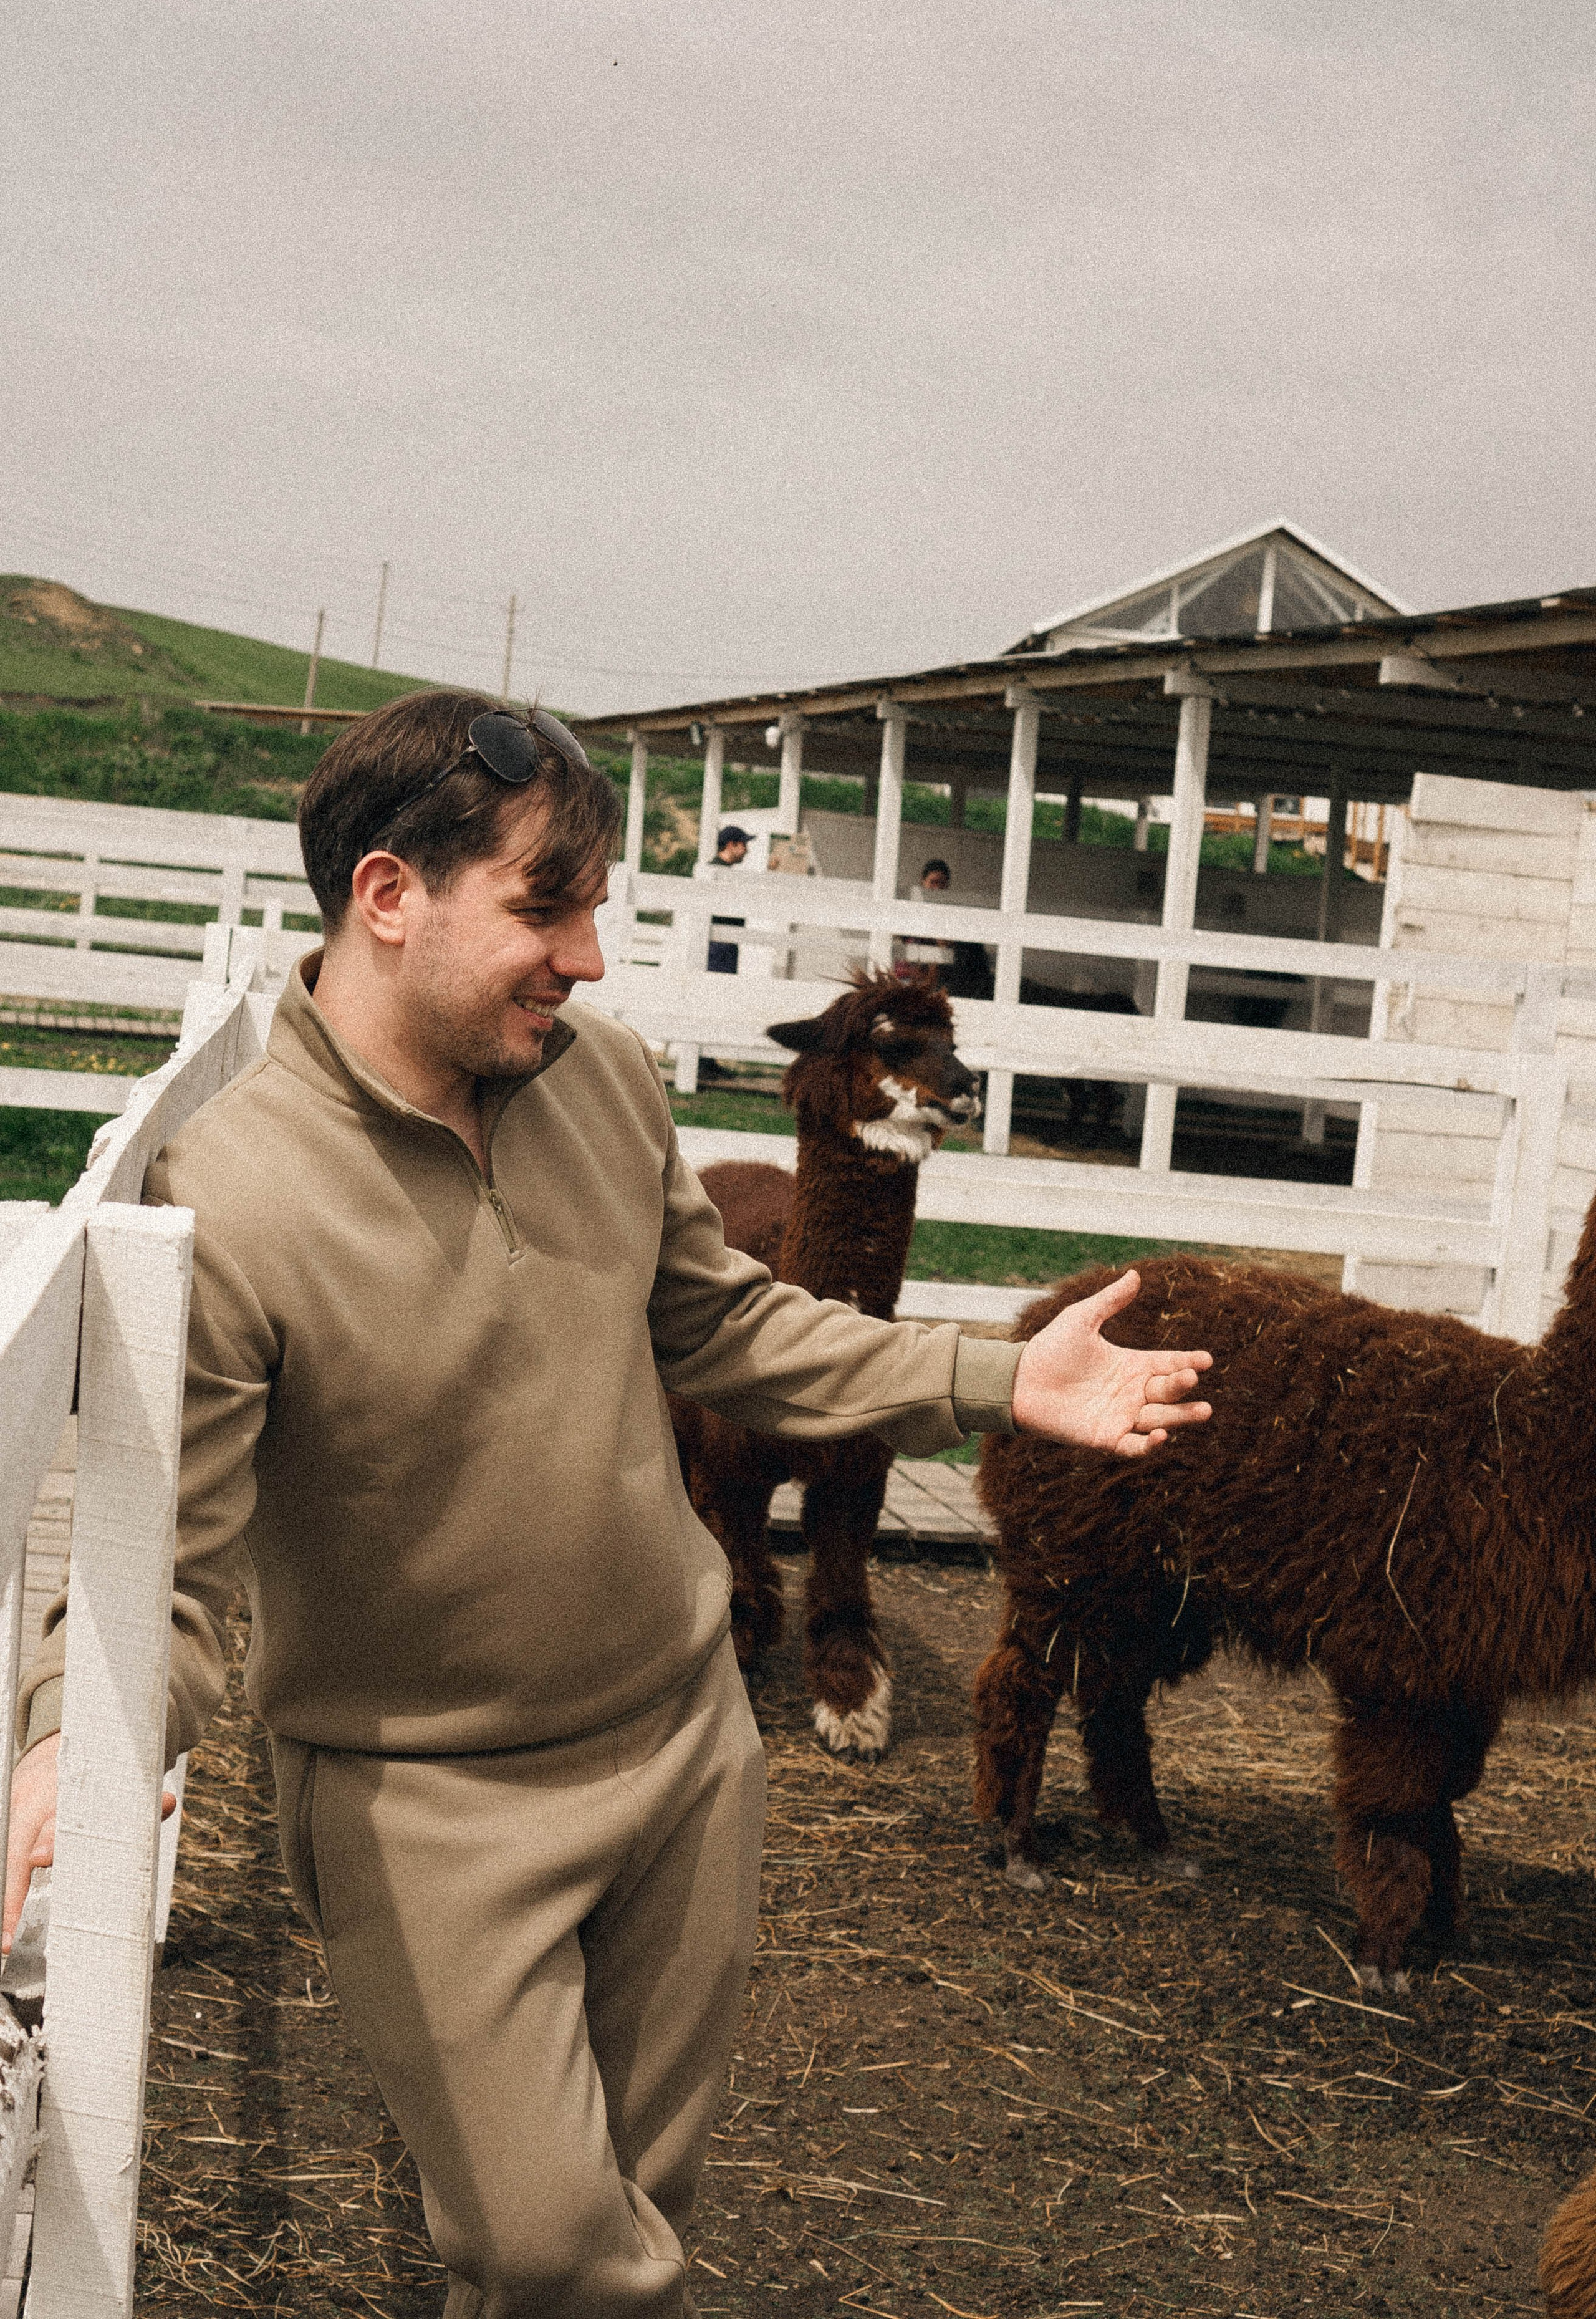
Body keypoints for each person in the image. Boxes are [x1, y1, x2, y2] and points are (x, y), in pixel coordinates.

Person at [5, 690, 1213, 2319]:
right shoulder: (232, 1192)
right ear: (387, 897)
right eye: (546, 907)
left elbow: (720, 1323)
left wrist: (1003, 1379)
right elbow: (174, 1564)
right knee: (560, 2253)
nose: (589, 960)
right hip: (422, 1808)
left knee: (617, 2235)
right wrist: (81, 1733)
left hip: (686, 1755)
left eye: (598, 913)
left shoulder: (611, 1085)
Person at [898, 856, 994, 1000]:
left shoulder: (954, 912)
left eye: (942, 883)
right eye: (933, 882)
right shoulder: (913, 910)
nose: (937, 888)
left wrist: (949, 944)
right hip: (918, 971)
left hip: (949, 974)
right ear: (923, 882)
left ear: (947, 885)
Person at [704, 821, 748, 975]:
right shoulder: (719, 873)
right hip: (720, 944)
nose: (746, 851)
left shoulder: (714, 870)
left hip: (721, 943)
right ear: (731, 845)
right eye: (743, 845)